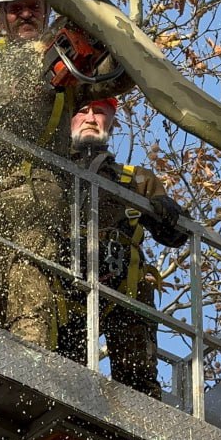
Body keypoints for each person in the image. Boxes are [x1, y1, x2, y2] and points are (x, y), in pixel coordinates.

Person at [0, 0, 132, 349]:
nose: (26, 15)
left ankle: (30, 370)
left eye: (33, 7)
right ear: (2, 16)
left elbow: (121, 77)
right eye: (16, 10)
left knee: (33, 292)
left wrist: (103, 31)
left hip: (41, 202)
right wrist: (30, 70)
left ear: (46, 10)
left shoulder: (67, 69)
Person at [57, 97, 189, 397]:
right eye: (83, 111)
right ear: (68, 119)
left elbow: (177, 236)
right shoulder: (50, 167)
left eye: (100, 112)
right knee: (64, 369)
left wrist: (168, 212)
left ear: (112, 123)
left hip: (123, 284)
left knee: (137, 379)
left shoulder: (136, 179)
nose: (91, 118)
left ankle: (138, 411)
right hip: (64, 278)